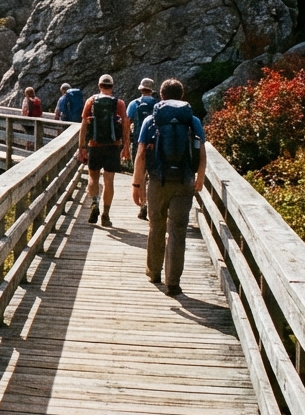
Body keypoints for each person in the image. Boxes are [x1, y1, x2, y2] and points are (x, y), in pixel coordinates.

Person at [131, 78, 207, 297]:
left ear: (161, 96)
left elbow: (141, 154)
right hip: (184, 181)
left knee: (156, 226)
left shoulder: (151, 120)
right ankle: (173, 282)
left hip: (157, 181)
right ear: (182, 97)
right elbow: (201, 152)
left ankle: (154, 272)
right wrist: (199, 178)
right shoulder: (192, 120)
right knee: (178, 231)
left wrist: (137, 184)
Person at [77, 74, 130, 228]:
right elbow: (125, 125)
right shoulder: (119, 103)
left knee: (93, 176)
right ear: (112, 87)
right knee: (109, 180)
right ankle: (106, 214)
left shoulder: (91, 101)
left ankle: (94, 202)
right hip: (113, 145)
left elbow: (84, 125)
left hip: (94, 144)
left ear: (99, 86)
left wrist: (81, 147)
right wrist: (126, 146)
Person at [126, 78, 159, 220]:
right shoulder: (158, 105)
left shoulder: (134, 104)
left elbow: (127, 124)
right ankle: (154, 205)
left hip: (139, 144)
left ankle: (143, 205)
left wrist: (126, 144)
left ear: (140, 89)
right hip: (155, 144)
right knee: (153, 175)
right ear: (152, 90)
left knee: (140, 174)